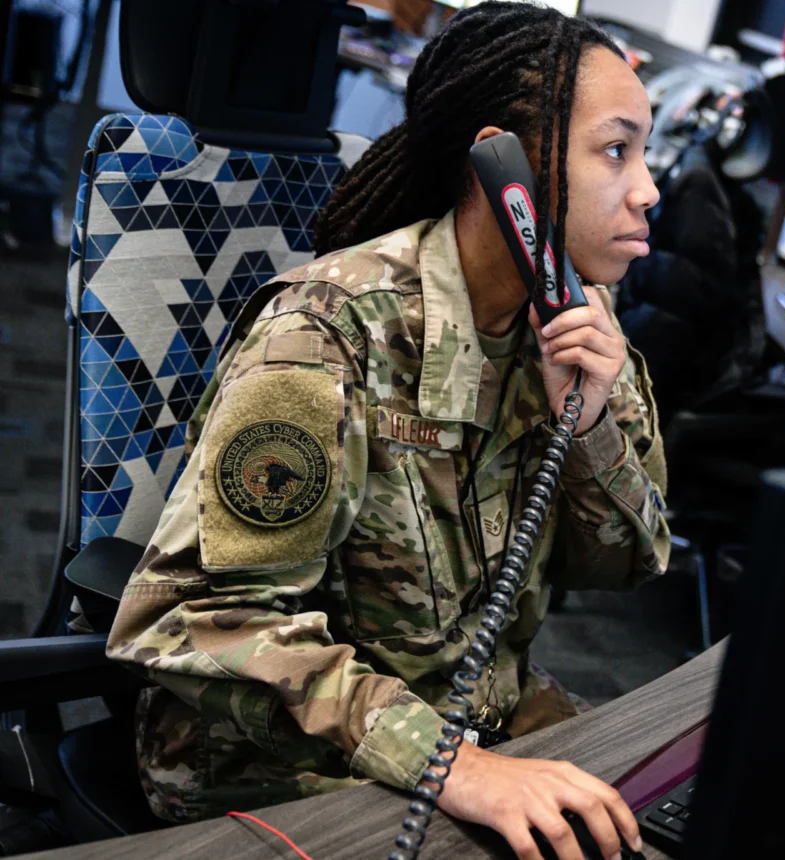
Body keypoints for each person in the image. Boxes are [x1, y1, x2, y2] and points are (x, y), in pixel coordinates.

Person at [105, 6, 667, 860]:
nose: (649, 188)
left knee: (655, 821)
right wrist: (453, 764)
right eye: (616, 149)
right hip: (271, 760)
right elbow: (200, 620)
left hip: (471, 716)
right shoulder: (328, 335)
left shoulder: (578, 327)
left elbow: (633, 564)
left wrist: (588, 427)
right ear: (504, 165)